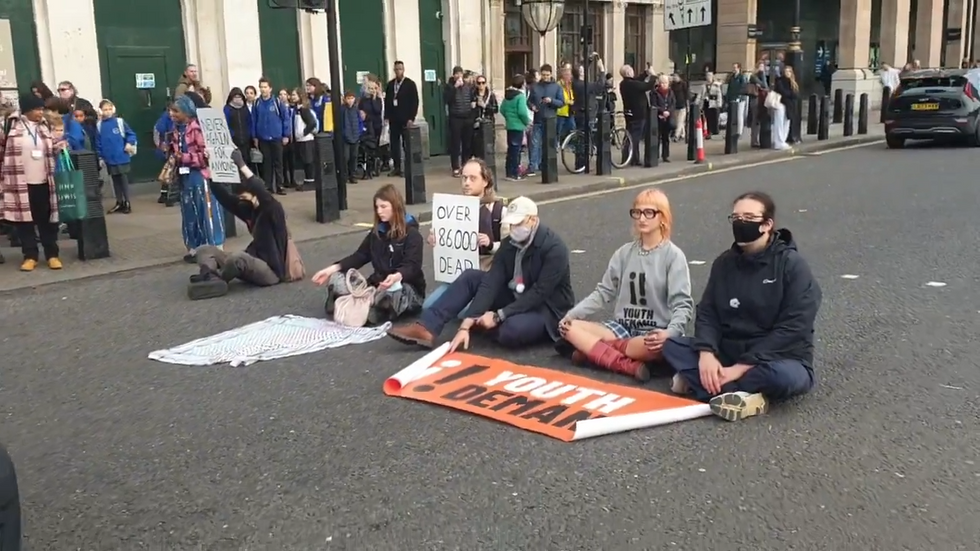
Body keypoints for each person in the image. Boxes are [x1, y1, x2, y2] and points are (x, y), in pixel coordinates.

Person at [661, 191, 822, 422]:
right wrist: (706, 353)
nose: (740, 223)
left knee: (781, 377)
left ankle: (710, 386)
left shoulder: (792, 266)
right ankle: (739, 394)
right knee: (671, 345)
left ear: (767, 224)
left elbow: (795, 328)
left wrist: (741, 367)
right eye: (736, 218)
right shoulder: (724, 263)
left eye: (748, 218)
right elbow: (708, 312)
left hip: (778, 357)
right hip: (730, 350)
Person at [384, 197, 574, 351]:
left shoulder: (554, 248)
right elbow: (492, 281)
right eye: (511, 225)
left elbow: (539, 293)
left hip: (546, 308)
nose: (514, 230)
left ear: (533, 220)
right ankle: (426, 328)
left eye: (518, 224)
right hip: (516, 294)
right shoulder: (509, 244)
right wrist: (466, 324)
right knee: (471, 277)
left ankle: (495, 323)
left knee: (511, 332)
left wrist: (499, 315)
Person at [555, 189, 694, 382]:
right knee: (570, 328)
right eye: (637, 212)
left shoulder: (673, 256)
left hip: (653, 333)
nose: (641, 218)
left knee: (662, 345)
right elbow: (602, 292)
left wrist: (669, 333)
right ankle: (627, 365)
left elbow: (683, 305)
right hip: (622, 327)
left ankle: (593, 351)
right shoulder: (624, 253)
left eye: (649, 212)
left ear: (663, 217)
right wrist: (571, 315)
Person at [393, 157, 504, 318]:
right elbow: (451, 244)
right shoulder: (453, 209)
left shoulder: (498, 211)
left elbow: (512, 248)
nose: (466, 183)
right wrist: (438, 241)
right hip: (458, 277)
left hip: (485, 278)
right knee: (429, 307)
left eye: (473, 178)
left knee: (462, 314)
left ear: (485, 181)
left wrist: (491, 244)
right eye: (464, 178)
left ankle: (488, 306)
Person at [312, 183, 425, 325]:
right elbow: (360, 256)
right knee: (338, 277)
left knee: (392, 291)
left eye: (383, 207)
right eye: (377, 207)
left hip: (406, 287)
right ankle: (358, 304)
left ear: (395, 206)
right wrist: (331, 269)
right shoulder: (377, 232)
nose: (379, 211)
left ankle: (375, 309)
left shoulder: (412, 234)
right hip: (377, 283)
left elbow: (412, 266)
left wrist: (396, 276)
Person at [187, 151, 289, 300]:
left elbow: (259, 188)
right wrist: (210, 172)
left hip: (271, 271)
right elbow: (225, 199)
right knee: (204, 249)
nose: (241, 200)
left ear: (254, 196)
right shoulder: (248, 210)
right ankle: (208, 276)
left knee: (237, 258)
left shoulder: (273, 210)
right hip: (252, 260)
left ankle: (220, 280)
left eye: (244, 197)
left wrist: (241, 165)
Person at [0, 93, 64, 271]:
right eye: (37, 109)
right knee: (24, 222)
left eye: (41, 109)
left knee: (47, 220)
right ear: (27, 110)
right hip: (20, 182)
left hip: (44, 181)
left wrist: (58, 147)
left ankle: (52, 254)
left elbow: (51, 146)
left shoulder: (45, 126)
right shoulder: (10, 125)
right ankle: (30, 256)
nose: (40, 112)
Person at [169, 95, 225, 263]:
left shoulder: (197, 129)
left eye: (175, 111)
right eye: (171, 110)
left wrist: (184, 157)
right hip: (184, 177)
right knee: (189, 212)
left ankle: (214, 246)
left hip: (200, 177)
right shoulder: (176, 130)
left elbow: (205, 156)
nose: (171, 114)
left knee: (205, 211)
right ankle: (194, 248)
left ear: (186, 112)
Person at [95, 99, 138, 214]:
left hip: (121, 156)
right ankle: (119, 202)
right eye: (105, 109)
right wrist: (100, 157)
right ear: (100, 111)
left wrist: (129, 143)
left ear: (113, 109)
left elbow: (131, 134)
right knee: (115, 180)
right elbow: (98, 143)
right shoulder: (99, 126)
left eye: (110, 109)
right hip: (109, 159)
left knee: (123, 179)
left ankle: (127, 201)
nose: (108, 112)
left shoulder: (119, 122)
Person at [250, 77, 291, 195]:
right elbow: (254, 120)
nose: (263, 89)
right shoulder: (256, 103)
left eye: (265, 87)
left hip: (276, 137)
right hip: (263, 138)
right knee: (266, 163)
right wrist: (255, 137)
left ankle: (280, 185)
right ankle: (268, 186)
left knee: (278, 162)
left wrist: (286, 135)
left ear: (270, 88)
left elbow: (285, 118)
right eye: (261, 87)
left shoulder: (277, 102)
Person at [526, 64, 564, 177]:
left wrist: (551, 100)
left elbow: (561, 102)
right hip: (538, 119)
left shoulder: (557, 87)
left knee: (548, 144)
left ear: (551, 74)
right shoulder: (535, 87)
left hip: (551, 120)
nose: (545, 77)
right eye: (543, 75)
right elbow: (528, 101)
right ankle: (532, 166)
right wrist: (532, 106)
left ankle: (545, 165)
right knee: (534, 144)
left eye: (547, 75)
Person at [384, 61, 420, 176]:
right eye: (396, 69)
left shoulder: (410, 84)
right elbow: (387, 102)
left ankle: (408, 168)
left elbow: (415, 102)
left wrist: (411, 118)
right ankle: (397, 167)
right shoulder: (390, 85)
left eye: (400, 69)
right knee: (394, 145)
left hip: (405, 119)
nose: (398, 71)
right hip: (394, 119)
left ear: (403, 70)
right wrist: (387, 117)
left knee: (406, 145)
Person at [618, 64, 657, 166]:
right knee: (634, 137)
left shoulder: (624, 83)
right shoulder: (632, 84)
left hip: (630, 113)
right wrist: (653, 76)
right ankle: (628, 158)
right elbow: (646, 86)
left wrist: (645, 73)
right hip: (638, 114)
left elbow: (637, 81)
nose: (633, 71)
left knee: (630, 135)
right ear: (628, 73)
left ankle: (633, 158)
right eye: (631, 70)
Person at [444, 66, 476, 176]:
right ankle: (455, 167)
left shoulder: (468, 86)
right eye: (456, 74)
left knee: (467, 144)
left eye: (460, 74)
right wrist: (455, 88)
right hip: (455, 118)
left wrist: (471, 115)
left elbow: (472, 100)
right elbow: (447, 100)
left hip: (467, 118)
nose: (458, 76)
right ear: (453, 75)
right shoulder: (449, 87)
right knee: (455, 144)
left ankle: (465, 165)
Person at [500, 74, 532, 181]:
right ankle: (514, 174)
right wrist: (527, 122)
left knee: (511, 150)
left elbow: (502, 109)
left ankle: (509, 173)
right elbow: (522, 112)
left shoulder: (507, 95)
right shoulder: (520, 96)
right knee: (516, 151)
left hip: (510, 126)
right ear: (522, 84)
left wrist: (509, 118)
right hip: (518, 126)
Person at [289, 88, 318, 191]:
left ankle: (311, 181)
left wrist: (304, 132)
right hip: (300, 139)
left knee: (308, 161)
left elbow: (312, 123)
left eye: (294, 95)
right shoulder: (296, 109)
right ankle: (307, 180)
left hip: (306, 139)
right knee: (305, 161)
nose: (292, 97)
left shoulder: (304, 110)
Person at [471, 74, 498, 161]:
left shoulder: (491, 95)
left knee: (488, 146)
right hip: (476, 123)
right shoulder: (473, 94)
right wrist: (472, 106)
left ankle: (488, 164)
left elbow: (496, 109)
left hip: (488, 123)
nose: (481, 85)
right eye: (479, 83)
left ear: (486, 83)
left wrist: (485, 106)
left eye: (483, 83)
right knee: (477, 146)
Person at [340, 90, 364, 184]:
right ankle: (344, 175)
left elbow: (360, 122)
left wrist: (360, 131)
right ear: (345, 99)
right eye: (348, 98)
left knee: (354, 157)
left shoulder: (356, 110)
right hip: (345, 138)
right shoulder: (342, 110)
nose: (350, 100)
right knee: (346, 157)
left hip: (355, 136)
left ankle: (352, 175)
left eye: (352, 98)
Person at [651, 74, 675, 162]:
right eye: (662, 83)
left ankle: (665, 156)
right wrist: (662, 111)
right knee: (657, 137)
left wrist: (668, 111)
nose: (664, 84)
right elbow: (654, 105)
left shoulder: (670, 92)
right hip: (658, 117)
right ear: (659, 83)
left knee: (666, 138)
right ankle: (655, 155)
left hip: (668, 117)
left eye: (666, 83)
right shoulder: (654, 92)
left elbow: (673, 104)